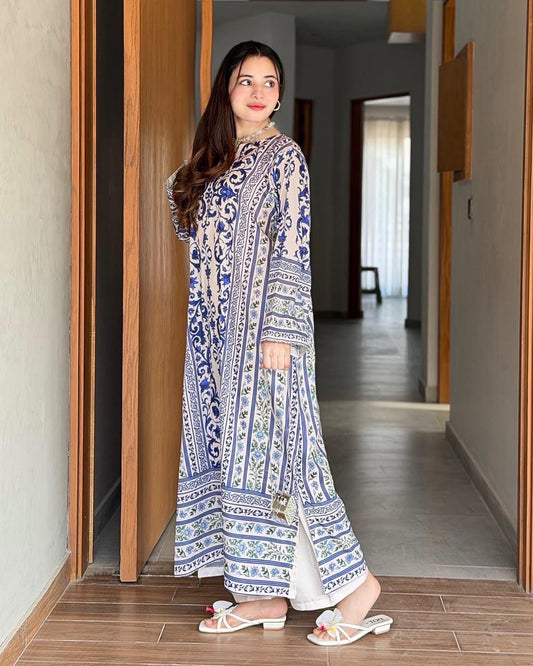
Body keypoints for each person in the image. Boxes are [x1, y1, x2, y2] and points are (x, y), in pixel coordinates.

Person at [165, 40, 392, 647]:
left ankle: (358, 588)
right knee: (238, 462)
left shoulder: (285, 158)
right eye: (247, 80)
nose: (260, 92)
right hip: (214, 339)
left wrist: (281, 331)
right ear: (226, 88)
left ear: (280, 94)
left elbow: (294, 246)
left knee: (290, 457)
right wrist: (203, 162)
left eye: (270, 82)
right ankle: (261, 594)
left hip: (268, 336)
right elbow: (185, 223)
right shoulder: (212, 160)